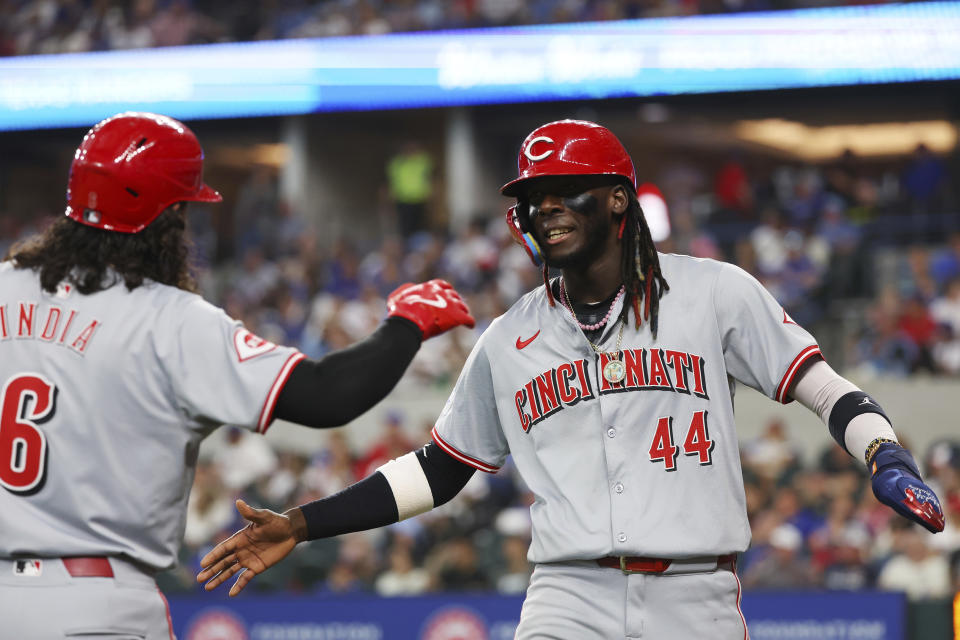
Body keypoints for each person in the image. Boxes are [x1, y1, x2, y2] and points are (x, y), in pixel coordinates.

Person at [197, 120, 944, 638]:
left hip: (696, 594)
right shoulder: (510, 335)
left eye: (563, 188)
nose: (542, 205)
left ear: (618, 198)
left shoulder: (715, 291)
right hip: (567, 596)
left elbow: (823, 387)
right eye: (530, 196)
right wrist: (303, 522)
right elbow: (439, 469)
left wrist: (884, 452)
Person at [0, 111, 475, 640]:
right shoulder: (168, 319)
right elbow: (327, 396)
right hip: (93, 605)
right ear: (167, 218)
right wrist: (407, 323)